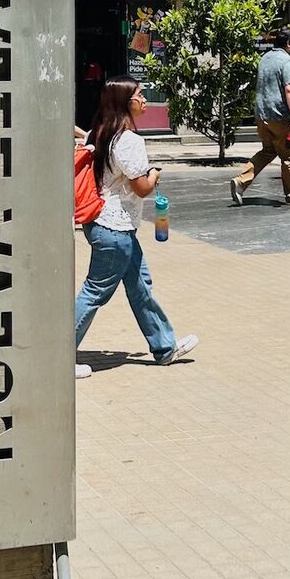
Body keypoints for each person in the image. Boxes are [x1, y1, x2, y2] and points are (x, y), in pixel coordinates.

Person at [75, 80, 198, 379]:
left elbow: (86, 138)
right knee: (94, 292)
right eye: (139, 96)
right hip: (114, 229)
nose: (144, 100)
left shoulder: (104, 131)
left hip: (112, 227)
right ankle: (57, 357)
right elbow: (141, 188)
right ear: (124, 103)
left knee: (140, 285)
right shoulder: (128, 140)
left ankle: (164, 347)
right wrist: (154, 174)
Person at [229, 27, 290, 207]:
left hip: (262, 115)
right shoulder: (288, 61)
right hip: (280, 116)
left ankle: (241, 181)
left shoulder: (265, 58)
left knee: (268, 151)